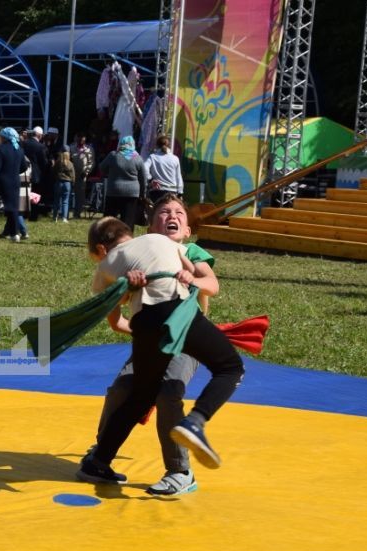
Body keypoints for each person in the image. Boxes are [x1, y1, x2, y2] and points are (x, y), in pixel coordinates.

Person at [78, 218, 244, 485]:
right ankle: (195, 422)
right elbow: (196, 278)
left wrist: (128, 287)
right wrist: (188, 276)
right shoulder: (163, 242)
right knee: (231, 368)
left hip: (143, 324)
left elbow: (113, 311)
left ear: (100, 249)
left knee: (141, 396)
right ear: (129, 233)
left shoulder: (105, 266)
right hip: (176, 313)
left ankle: (97, 462)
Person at [98, 135, 146, 230]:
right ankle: (126, 240)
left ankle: (107, 238)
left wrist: (110, 172)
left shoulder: (113, 155)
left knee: (109, 219)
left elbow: (101, 167)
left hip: (114, 191)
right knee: (128, 220)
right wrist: (142, 194)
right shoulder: (138, 158)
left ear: (120, 144)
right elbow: (143, 178)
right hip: (132, 193)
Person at [0, 127, 29, 242]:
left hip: (2, 181)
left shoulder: (0, 149)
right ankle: (14, 233)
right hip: (15, 181)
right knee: (14, 208)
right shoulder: (19, 149)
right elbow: (24, 167)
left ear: (4, 137)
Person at [144, 134, 184, 203]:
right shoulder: (175, 158)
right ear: (169, 146)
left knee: (157, 212)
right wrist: (180, 192)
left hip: (157, 191)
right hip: (172, 192)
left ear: (157, 145)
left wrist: (151, 180)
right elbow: (178, 177)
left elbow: (144, 169)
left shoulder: (152, 157)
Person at [71, 134, 95, 218]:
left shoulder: (89, 149)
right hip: (71, 173)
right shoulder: (72, 148)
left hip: (82, 174)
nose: (81, 141)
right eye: (79, 139)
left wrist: (86, 172)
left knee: (80, 194)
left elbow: (91, 162)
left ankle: (77, 213)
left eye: (83, 139)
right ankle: (65, 211)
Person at [52, 146, 75, 223]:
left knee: (56, 201)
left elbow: (54, 172)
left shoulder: (57, 162)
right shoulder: (70, 163)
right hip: (67, 183)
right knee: (65, 201)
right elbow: (73, 175)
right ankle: (64, 218)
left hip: (58, 182)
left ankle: (55, 217)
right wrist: (73, 182)